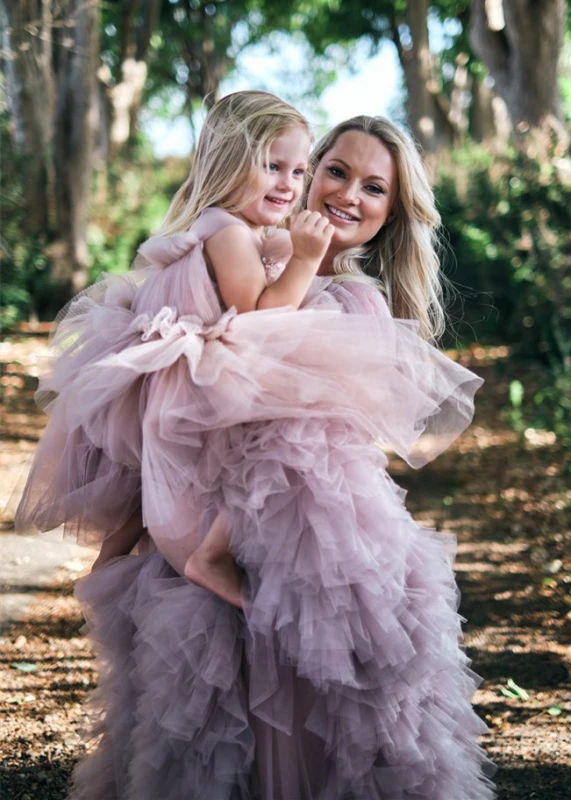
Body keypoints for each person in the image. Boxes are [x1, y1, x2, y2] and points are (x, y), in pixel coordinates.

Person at [16, 102, 496, 798]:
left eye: (373, 188)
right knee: (207, 705)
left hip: (300, 537)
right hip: (196, 515)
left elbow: (309, 434)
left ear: (393, 211)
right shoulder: (250, 249)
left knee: (312, 682)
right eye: (332, 172)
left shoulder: (351, 301)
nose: (344, 194)